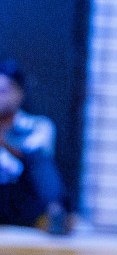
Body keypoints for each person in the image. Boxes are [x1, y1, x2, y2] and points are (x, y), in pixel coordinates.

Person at [0, 60, 71, 236]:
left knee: (39, 159)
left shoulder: (38, 125)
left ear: (19, 93)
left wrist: (4, 138)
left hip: (20, 197)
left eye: (4, 91)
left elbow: (33, 158)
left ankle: (56, 213)